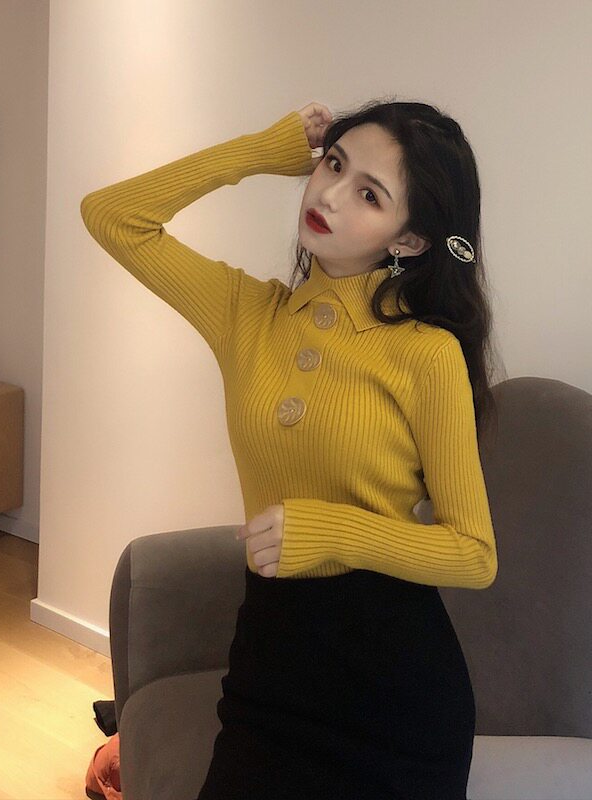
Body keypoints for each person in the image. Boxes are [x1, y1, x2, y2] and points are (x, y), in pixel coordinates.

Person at [80, 97, 502, 800]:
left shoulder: (427, 354)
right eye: (333, 165)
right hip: (271, 663)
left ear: (410, 239)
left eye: (369, 194)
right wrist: (260, 151)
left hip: (395, 691)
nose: (330, 195)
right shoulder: (245, 313)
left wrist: (330, 531)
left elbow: (474, 553)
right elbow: (111, 215)